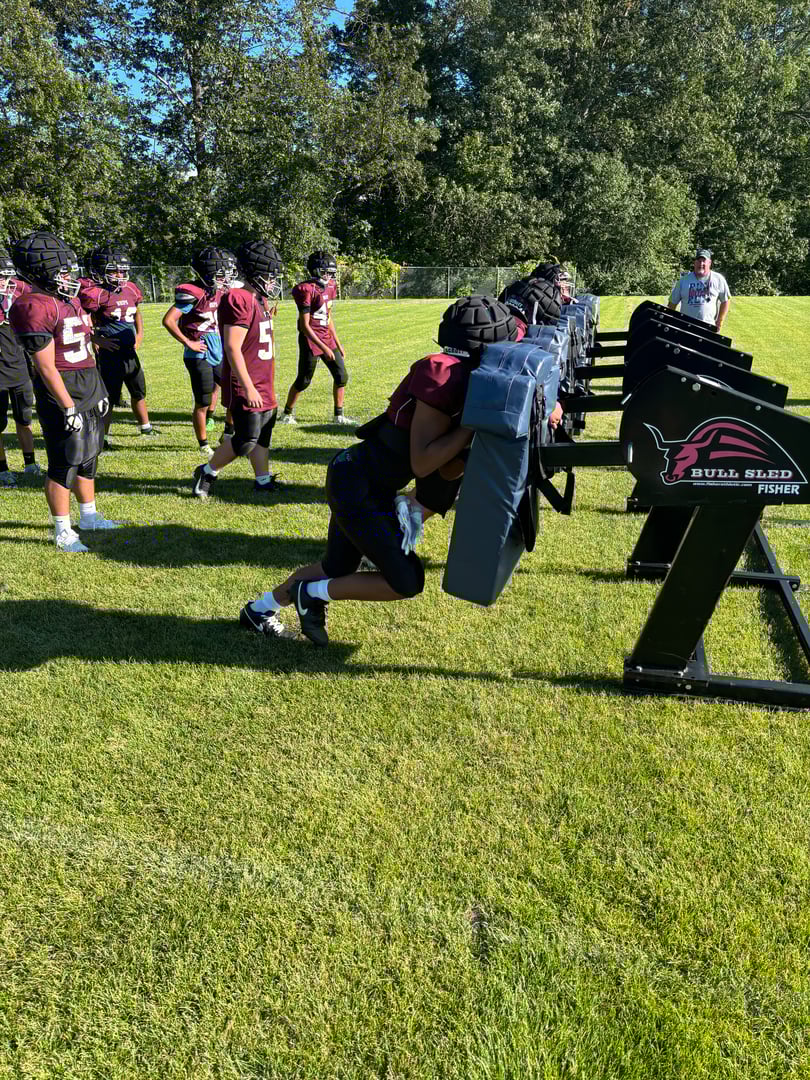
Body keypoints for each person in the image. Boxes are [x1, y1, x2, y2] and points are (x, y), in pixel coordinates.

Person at [239, 295, 518, 643]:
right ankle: (310, 595)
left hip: (359, 479)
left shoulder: (461, 372)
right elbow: (423, 460)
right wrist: (473, 427)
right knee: (406, 581)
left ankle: (258, 609)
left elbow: (443, 469)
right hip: (358, 486)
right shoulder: (443, 373)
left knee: (335, 569)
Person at [9, 231, 120, 551]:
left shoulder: (66, 299)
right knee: (65, 461)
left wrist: (98, 391)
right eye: (61, 272)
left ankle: (89, 516)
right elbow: (45, 367)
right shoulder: (31, 305)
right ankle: (62, 530)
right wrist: (67, 405)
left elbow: (85, 347)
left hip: (87, 383)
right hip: (62, 389)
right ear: (40, 273)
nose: (68, 277)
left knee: (89, 456)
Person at [192, 239, 286, 498]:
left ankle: (262, 480)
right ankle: (207, 471)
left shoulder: (258, 299)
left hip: (262, 377)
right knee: (245, 439)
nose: (273, 282)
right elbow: (232, 347)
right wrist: (248, 387)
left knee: (264, 431)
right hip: (247, 381)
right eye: (269, 276)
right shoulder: (239, 298)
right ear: (254, 274)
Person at [80, 244, 159, 447]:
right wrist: (95, 339)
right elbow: (80, 318)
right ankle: (102, 438)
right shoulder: (94, 293)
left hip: (129, 352)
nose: (120, 275)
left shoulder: (131, 288)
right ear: (100, 271)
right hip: (110, 353)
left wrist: (139, 335)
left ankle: (146, 427)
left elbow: (137, 312)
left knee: (138, 390)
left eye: (123, 270)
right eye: (114, 270)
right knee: (109, 397)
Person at [162, 246, 236, 457]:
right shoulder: (192, 292)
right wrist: (188, 342)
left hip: (219, 348)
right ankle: (203, 443)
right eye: (220, 275)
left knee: (234, 393)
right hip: (199, 352)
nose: (224, 280)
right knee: (203, 400)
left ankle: (228, 434)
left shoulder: (219, 291)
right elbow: (168, 320)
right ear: (207, 274)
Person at [279, 250, 354, 426]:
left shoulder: (330, 286)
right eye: (326, 271)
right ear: (315, 270)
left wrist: (336, 343)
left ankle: (339, 416)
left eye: (331, 272)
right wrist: (324, 347)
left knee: (341, 376)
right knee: (304, 380)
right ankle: (287, 414)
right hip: (310, 339)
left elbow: (328, 317)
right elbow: (305, 326)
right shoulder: (305, 289)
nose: (329, 275)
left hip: (326, 338)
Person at [0, 244, 43, 486]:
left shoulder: (19, 295)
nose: (5, 281)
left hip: (19, 367)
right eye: (1, 276)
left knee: (24, 418)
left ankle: (30, 463)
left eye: (7, 276)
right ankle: (2, 468)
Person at [668, 248, 731, 331]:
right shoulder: (684, 280)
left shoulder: (718, 279)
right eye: (698, 260)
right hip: (685, 327)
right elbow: (672, 303)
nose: (701, 264)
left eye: (704, 261)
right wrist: (670, 321)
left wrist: (720, 320)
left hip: (708, 328)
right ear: (694, 262)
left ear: (709, 263)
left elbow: (726, 300)